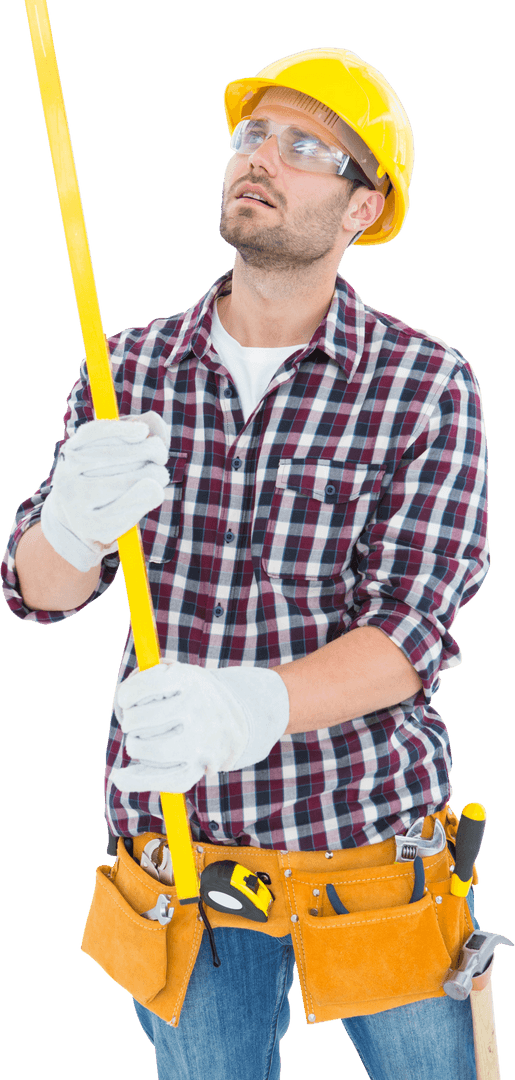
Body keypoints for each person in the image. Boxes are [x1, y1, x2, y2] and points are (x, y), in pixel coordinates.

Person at [1, 46, 490, 1080]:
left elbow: (412, 631)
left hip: (365, 861)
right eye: (252, 135)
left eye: (308, 147)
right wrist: (74, 531)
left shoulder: (425, 383)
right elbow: (37, 593)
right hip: (179, 858)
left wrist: (248, 707)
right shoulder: (122, 366)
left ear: (364, 208)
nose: (261, 159)